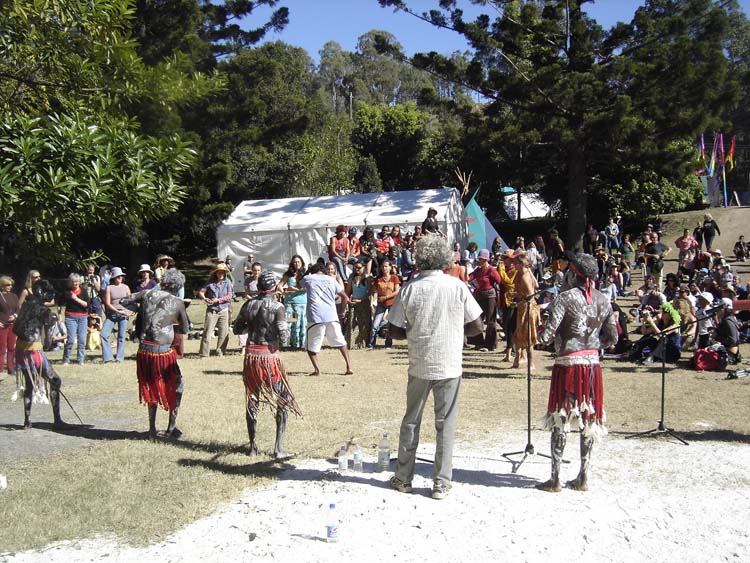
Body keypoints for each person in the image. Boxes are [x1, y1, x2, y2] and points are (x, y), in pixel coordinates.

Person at [387, 234, 483, 500]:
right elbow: (477, 326)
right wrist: (455, 331)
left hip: (419, 364)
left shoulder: (410, 288)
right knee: (445, 423)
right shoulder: (457, 286)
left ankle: (403, 478)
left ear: (419, 258)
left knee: (411, 421)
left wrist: (414, 333)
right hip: (449, 363)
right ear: (444, 258)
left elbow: (393, 330)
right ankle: (441, 483)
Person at [536, 252, 617, 493]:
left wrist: (537, 327)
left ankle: (555, 479)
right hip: (592, 366)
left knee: (561, 418)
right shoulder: (603, 299)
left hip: (568, 365)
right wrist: (592, 347)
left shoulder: (564, 298)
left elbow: (546, 337)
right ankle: (583, 477)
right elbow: (613, 337)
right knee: (588, 418)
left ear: (573, 274)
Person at [233, 271, 302, 457]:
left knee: (252, 399)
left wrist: (253, 325)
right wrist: (282, 326)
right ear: (274, 288)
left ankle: (253, 447)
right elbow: (284, 338)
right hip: (269, 358)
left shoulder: (248, 305)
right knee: (284, 399)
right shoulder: (277, 307)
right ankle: (278, 449)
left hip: (251, 357)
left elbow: (237, 329)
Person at [121, 268, 189, 440]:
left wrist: (142, 311)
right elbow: (185, 329)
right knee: (177, 386)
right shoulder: (177, 302)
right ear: (176, 286)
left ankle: (152, 430)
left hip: (144, 351)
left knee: (150, 386)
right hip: (162, 352)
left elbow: (123, 301)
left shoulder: (147, 294)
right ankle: (171, 428)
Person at [13, 280, 71, 429]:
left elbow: (15, 329)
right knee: (55, 381)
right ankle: (57, 420)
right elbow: (48, 341)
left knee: (29, 384)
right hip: (34, 352)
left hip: (20, 351)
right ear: (44, 294)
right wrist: (45, 345)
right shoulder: (44, 311)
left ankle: (27, 420)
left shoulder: (25, 306)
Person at [302, 263, 352, 376]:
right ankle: (349, 366)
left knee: (310, 347)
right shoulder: (331, 280)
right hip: (331, 316)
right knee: (341, 342)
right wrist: (342, 311)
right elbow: (345, 297)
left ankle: (317, 370)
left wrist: (308, 271)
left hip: (315, 317)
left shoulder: (308, 278)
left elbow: (298, 283)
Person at [468, 249, 503, 352]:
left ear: (486, 260)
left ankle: (490, 345)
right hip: (479, 296)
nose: (480, 261)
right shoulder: (478, 269)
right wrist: (465, 270)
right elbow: (470, 277)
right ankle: (478, 343)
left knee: (490, 321)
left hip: (489, 297)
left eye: (482, 259)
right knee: (476, 319)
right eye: (479, 259)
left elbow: (499, 280)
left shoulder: (491, 270)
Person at [198, 263, 234, 357]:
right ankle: (204, 354)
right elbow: (201, 292)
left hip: (224, 310)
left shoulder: (228, 282)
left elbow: (230, 295)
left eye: (223, 272)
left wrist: (218, 300)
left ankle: (220, 352)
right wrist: (205, 298)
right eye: (219, 272)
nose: (221, 274)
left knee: (224, 333)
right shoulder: (210, 282)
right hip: (212, 310)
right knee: (207, 332)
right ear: (216, 273)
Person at [512, 253, 539, 369]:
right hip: (521, 307)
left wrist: (518, 301)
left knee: (528, 335)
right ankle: (517, 360)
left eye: (515, 263)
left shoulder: (524, 276)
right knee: (518, 333)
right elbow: (536, 284)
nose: (514, 265)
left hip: (527, 308)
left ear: (521, 264)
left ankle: (531, 363)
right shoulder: (521, 273)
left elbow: (530, 294)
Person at [100, 267, 132, 363]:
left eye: (121, 276)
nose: (120, 278)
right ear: (114, 278)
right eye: (118, 276)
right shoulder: (109, 288)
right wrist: (118, 311)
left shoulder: (126, 287)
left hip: (124, 314)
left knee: (121, 337)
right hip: (112, 314)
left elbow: (130, 301)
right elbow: (108, 304)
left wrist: (130, 311)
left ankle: (119, 358)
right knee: (103, 334)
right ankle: (108, 358)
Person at [368, 260, 400, 348]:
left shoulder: (394, 278)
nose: (384, 268)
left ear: (390, 267)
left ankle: (388, 344)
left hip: (392, 303)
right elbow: (372, 291)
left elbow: (397, 291)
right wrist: (371, 302)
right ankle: (371, 343)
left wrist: (386, 297)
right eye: (383, 266)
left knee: (390, 325)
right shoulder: (378, 279)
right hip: (381, 304)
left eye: (386, 266)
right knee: (375, 324)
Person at [279, 255, 307, 350]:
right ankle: (286, 344)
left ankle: (299, 344)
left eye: (298, 262)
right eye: (295, 262)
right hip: (290, 303)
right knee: (289, 323)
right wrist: (284, 292)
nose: (297, 264)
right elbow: (280, 285)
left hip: (301, 303)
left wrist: (295, 289)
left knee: (300, 323)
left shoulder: (305, 274)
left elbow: (308, 287)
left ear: (302, 263)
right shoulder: (288, 274)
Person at [63, 273, 90, 365]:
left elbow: (87, 304)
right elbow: (60, 302)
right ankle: (66, 359)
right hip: (70, 317)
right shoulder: (67, 292)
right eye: (74, 282)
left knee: (82, 340)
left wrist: (76, 299)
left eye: (77, 281)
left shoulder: (84, 291)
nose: (76, 283)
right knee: (70, 339)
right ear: (71, 282)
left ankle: (80, 360)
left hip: (83, 317)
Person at [345, 262, 372, 349]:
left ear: (364, 267)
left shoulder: (367, 278)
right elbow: (348, 291)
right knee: (352, 323)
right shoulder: (352, 277)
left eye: (359, 267)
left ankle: (362, 343)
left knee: (363, 324)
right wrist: (348, 300)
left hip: (364, 303)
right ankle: (352, 343)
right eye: (356, 267)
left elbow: (369, 292)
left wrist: (361, 300)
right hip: (353, 303)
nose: (357, 269)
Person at [0, 275, 19, 375]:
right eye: (7, 285)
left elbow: (18, 309)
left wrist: (15, 316)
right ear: (2, 286)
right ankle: (0, 369)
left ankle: (10, 368)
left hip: (12, 325)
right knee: (2, 347)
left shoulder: (14, 296)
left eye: (11, 285)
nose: (10, 286)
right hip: (2, 326)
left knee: (11, 347)